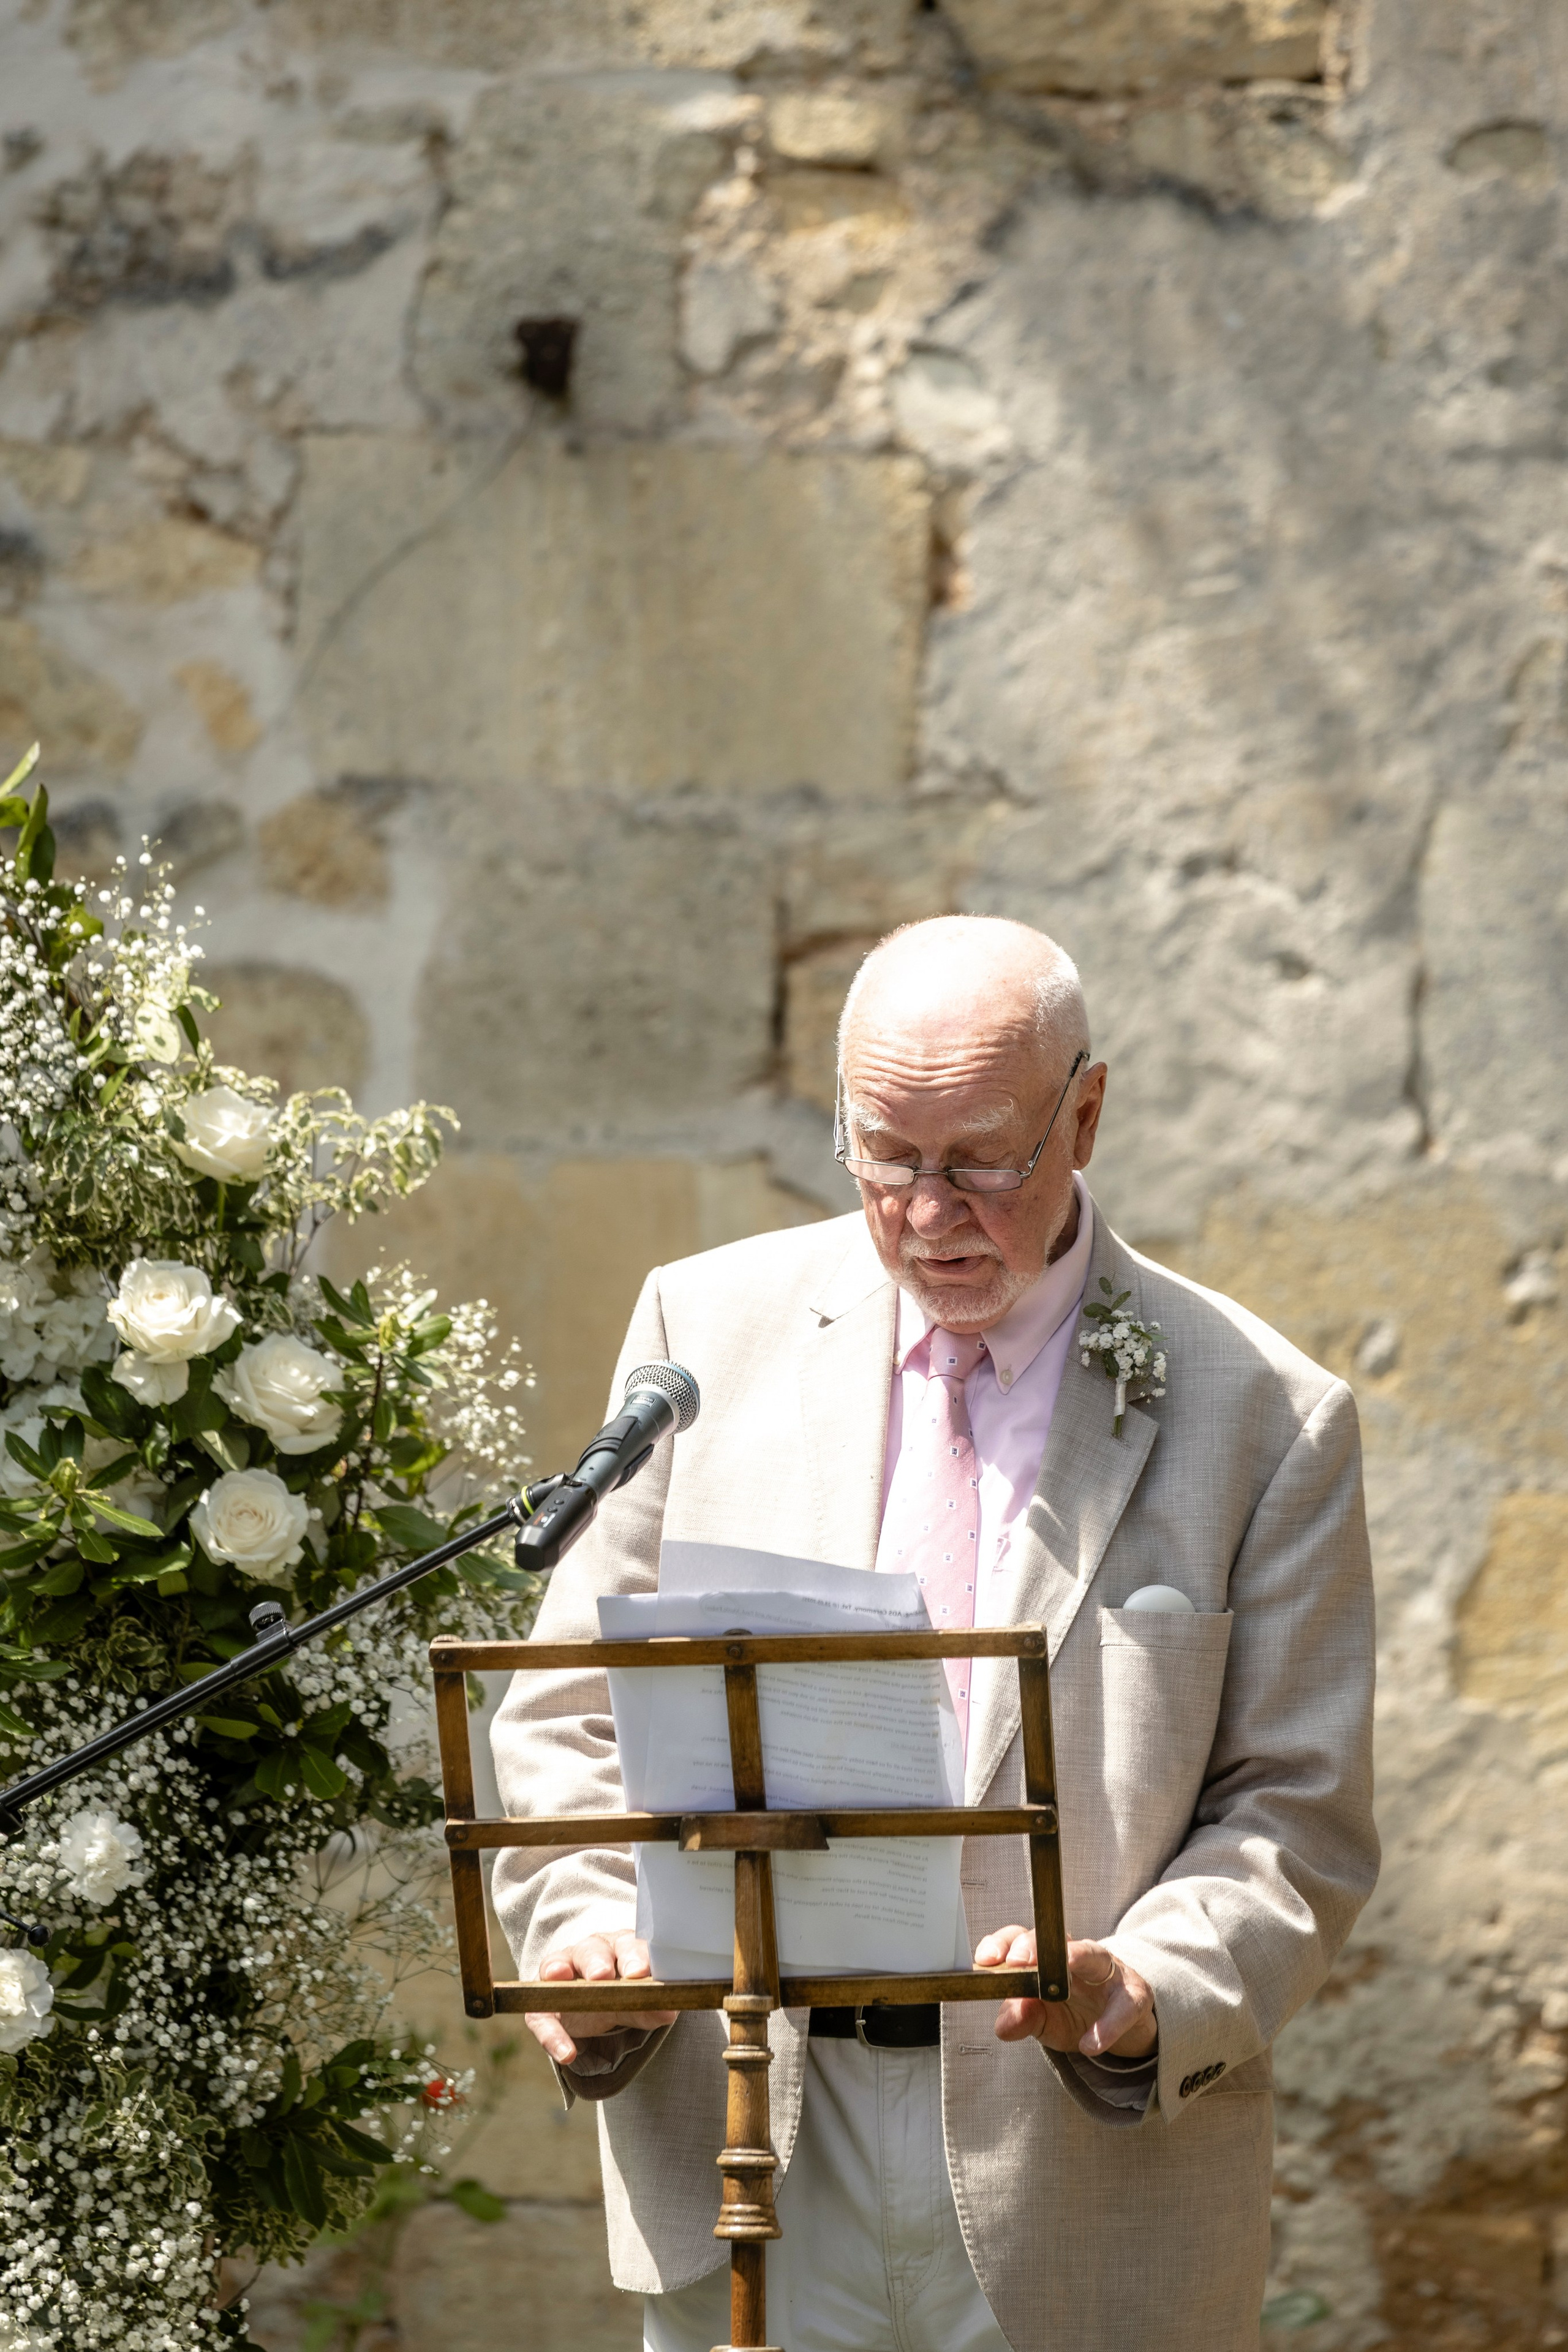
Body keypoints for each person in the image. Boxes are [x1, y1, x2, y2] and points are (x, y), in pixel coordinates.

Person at [490, 915, 1378, 2352]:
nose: (921, 1209)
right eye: (882, 1155)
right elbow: (575, 1709)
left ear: (1082, 1114)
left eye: (977, 1159)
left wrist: (1147, 1984)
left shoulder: (1265, 1417)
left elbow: (1296, 1815)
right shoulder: (700, 1335)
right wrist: (591, 1927)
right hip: (754, 2123)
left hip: (1077, 2171)